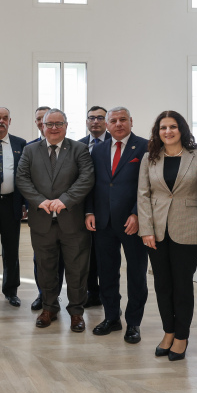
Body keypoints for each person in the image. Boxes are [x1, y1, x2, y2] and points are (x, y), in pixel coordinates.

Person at [137, 110, 197, 361]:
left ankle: (182, 336)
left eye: (173, 126)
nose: (168, 131)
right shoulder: (150, 157)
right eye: (163, 127)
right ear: (157, 132)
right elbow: (143, 195)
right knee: (162, 285)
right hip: (157, 232)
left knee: (182, 286)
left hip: (190, 229)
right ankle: (168, 332)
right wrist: (146, 229)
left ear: (181, 129)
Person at [17, 108, 94, 332]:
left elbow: (86, 178)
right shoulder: (30, 150)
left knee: (77, 269)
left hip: (73, 221)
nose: (53, 128)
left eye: (58, 124)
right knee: (45, 267)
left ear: (66, 126)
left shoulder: (79, 149)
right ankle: (49, 308)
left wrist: (65, 200)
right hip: (41, 221)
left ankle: (77, 312)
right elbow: (22, 179)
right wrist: (40, 201)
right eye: (49, 124)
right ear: (42, 126)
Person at [85, 106, 149, 344]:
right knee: (106, 272)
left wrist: (137, 214)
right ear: (107, 124)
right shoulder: (98, 150)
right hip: (103, 222)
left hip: (132, 223)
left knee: (136, 274)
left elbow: (148, 186)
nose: (119, 124)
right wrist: (90, 211)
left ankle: (133, 323)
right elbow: (93, 184)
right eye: (114, 120)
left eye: (123, 119)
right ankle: (112, 317)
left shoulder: (145, 147)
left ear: (131, 121)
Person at [0, 107, 27, 307]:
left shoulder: (20, 144)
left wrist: (24, 203)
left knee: (11, 250)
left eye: (5, 118)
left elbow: (25, 175)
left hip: (12, 204)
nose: (1, 121)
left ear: (10, 121)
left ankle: (11, 291)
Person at [27, 106, 65, 311]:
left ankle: (56, 296)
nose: (45, 124)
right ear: (38, 124)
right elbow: (24, 181)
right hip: (40, 216)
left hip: (65, 215)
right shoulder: (30, 148)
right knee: (41, 260)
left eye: (49, 120)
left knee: (62, 260)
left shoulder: (70, 149)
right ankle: (44, 295)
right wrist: (34, 204)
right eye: (41, 120)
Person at [78, 105, 110, 309]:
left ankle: (107, 295)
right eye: (92, 118)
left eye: (100, 118)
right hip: (83, 208)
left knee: (105, 256)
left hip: (109, 208)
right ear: (87, 121)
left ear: (106, 121)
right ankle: (92, 292)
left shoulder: (114, 143)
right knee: (87, 254)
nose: (95, 121)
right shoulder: (78, 145)